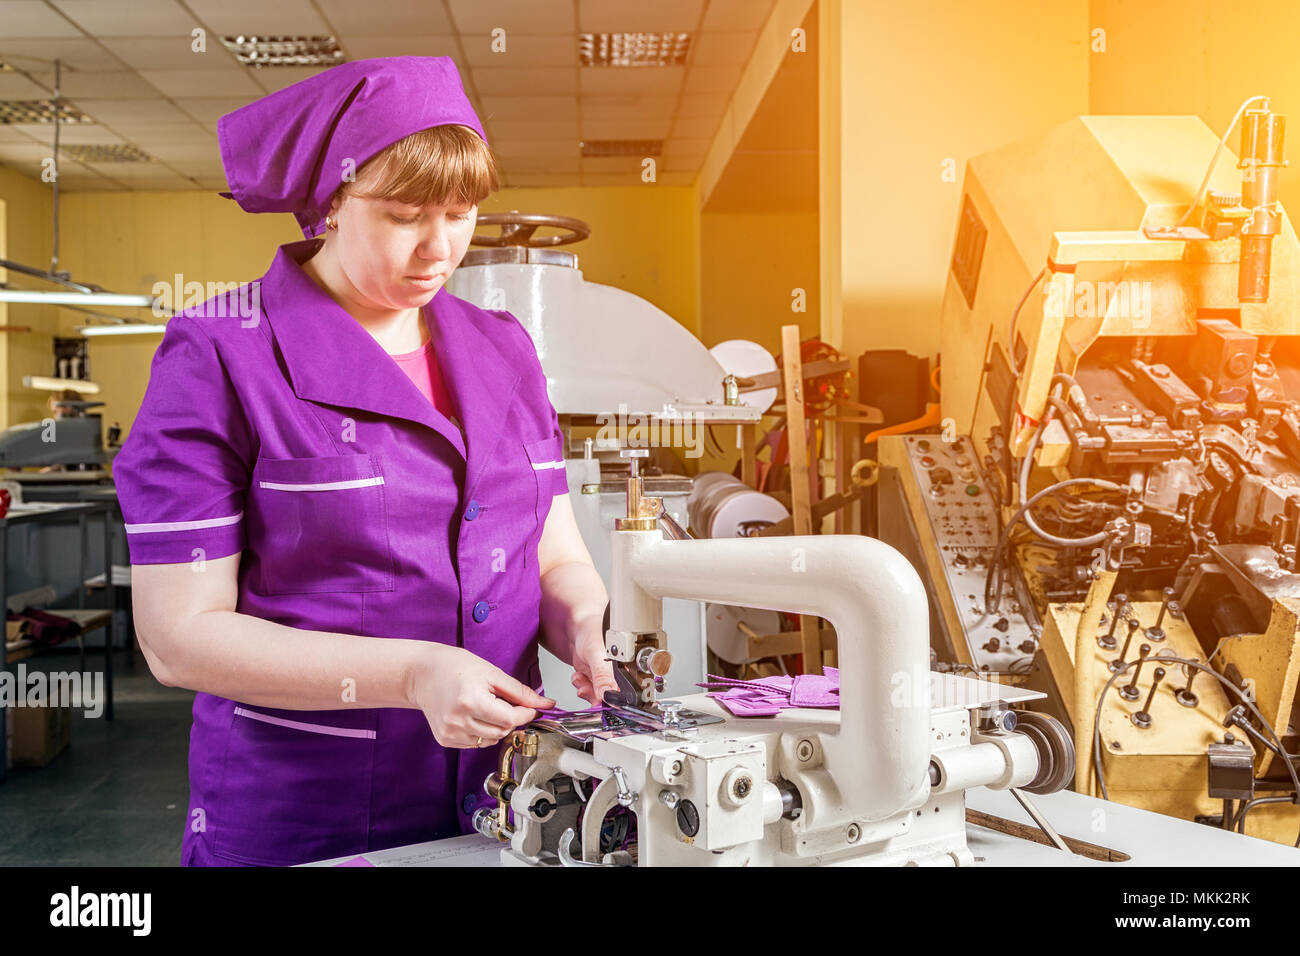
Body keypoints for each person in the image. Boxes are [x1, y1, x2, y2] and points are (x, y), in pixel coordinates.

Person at [112, 56, 617, 867]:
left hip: (502, 790)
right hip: (307, 807)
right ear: (331, 203)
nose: (439, 248)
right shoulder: (221, 356)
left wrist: (589, 626)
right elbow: (178, 638)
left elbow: (553, 551)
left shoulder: (504, 351)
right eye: (404, 213)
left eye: (461, 213)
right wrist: (415, 674)